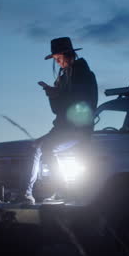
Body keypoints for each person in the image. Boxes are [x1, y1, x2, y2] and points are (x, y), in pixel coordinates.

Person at [23, 37, 98, 205]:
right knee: (36, 147)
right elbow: (58, 110)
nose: (57, 62)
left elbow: (81, 105)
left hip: (78, 130)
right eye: (55, 60)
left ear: (68, 54)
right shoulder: (64, 77)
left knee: (47, 147)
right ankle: (27, 193)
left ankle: (63, 189)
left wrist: (57, 95)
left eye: (58, 58)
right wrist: (53, 95)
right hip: (62, 129)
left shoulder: (84, 75)